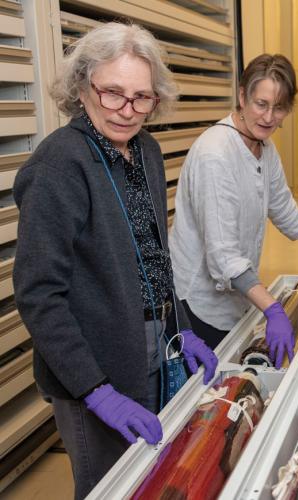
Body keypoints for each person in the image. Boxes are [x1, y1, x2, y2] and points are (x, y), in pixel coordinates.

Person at [12, 23, 217, 499]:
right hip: (94, 369)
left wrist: (180, 326)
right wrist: (96, 391)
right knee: (109, 487)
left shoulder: (144, 149)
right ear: (83, 86)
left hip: (151, 345)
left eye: (142, 98)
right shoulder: (57, 166)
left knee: (153, 476)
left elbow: (155, 255)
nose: (127, 111)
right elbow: (39, 295)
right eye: (113, 94)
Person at [170, 53, 298, 364]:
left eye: (279, 108)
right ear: (242, 96)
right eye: (261, 104)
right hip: (199, 307)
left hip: (236, 298)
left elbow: (284, 209)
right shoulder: (215, 156)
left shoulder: (263, 147)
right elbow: (223, 256)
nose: (269, 117)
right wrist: (273, 309)